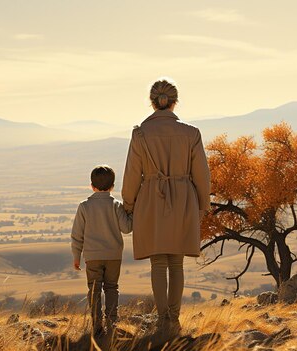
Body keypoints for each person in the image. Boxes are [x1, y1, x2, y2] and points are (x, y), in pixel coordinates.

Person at [121, 79, 211, 337]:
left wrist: (129, 204)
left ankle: (162, 320)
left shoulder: (140, 134)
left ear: (152, 102)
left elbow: (131, 175)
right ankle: (174, 319)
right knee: (177, 263)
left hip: (151, 198)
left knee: (158, 263)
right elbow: (202, 175)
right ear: (174, 101)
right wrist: (202, 205)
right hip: (184, 198)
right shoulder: (191, 133)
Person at [71, 165, 133, 335]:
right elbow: (127, 228)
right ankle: (112, 322)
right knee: (112, 287)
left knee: (94, 289)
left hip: (92, 256)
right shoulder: (116, 205)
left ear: (92, 185)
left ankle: (97, 325)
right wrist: (132, 213)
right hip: (114, 255)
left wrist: (77, 256)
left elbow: (77, 235)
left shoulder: (84, 206)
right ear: (112, 186)